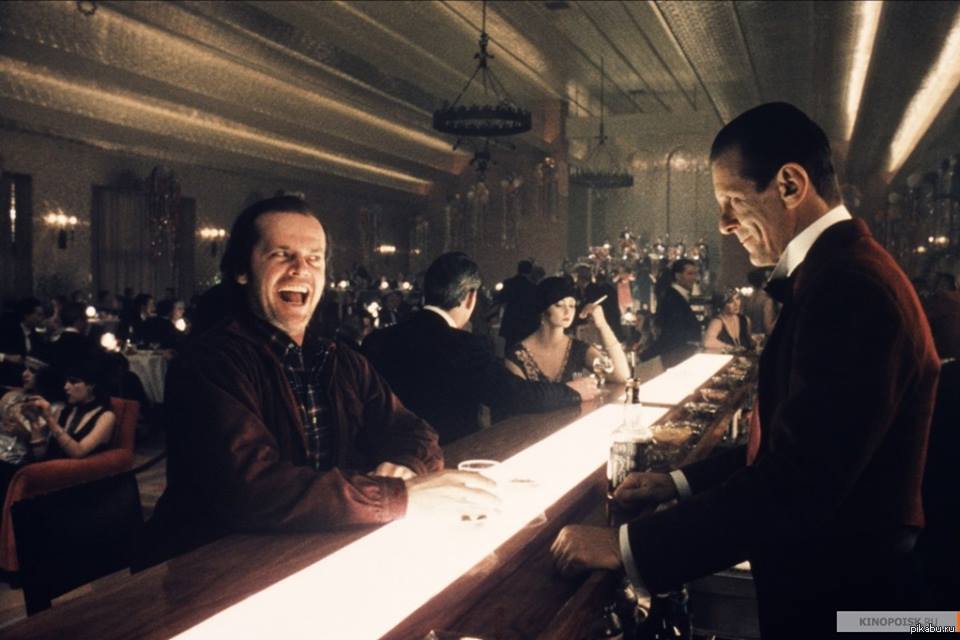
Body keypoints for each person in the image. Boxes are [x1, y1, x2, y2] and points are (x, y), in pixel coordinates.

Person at [550, 102, 939, 639]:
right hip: (844, 586)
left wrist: (628, 547)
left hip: (854, 606)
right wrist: (676, 482)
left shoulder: (851, 287)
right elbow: (790, 444)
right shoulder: (841, 271)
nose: (724, 224)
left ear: (790, 184)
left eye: (732, 201)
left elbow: (799, 482)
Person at [150, 197, 496, 561]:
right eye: (282, 254)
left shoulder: (341, 360)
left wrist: (407, 464)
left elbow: (415, 432)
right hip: (214, 566)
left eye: (314, 258)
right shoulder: (210, 362)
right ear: (241, 270)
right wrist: (396, 497)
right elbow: (251, 489)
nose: (301, 268)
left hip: (312, 553)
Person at [362, 252, 601, 445]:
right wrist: (571, 392)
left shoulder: (377, 340)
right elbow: (515, 395)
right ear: (470, 298)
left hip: (384, 462)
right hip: (448, 459)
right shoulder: (466, 346)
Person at [0, 359, 115, 507]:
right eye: (66, 382)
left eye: (73, 382)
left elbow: (78, 452)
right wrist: (34, 422)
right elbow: (40, 455)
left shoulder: (106, 416)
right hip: (46, 472)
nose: (66, 387)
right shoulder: (65, 411)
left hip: (73, 482)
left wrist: (49, 419)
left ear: (91, 385)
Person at [505, 276, 629, 385]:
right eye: (559, 305)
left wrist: (602, 325)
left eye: (571, 305)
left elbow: (621, 375)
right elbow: (522, 398)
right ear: (542, 310)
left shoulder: (576, 349)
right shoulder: (517, 355)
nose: (567, 311)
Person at [642, 259, 701, 366]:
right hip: (676, 358)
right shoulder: (673, 299)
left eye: (695, 274)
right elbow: (671, 335)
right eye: (690, 274)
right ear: (678, 276)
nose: (694, 278)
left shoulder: (674, 296)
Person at [495, 260, 539, 346]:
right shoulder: (532, 287)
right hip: (525, 321)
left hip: (511, 319)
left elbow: (501, 299)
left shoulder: (509, 283)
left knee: (509, 345)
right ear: (530, 271)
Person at [742, 267, 777, 336]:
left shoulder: (748, 300)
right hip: (763, 340)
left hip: (750, 339)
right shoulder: (767, 301)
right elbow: (769, 330)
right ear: (764, 284)